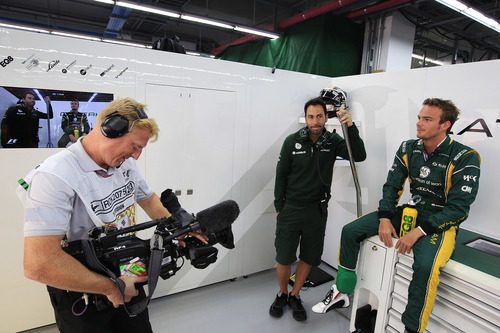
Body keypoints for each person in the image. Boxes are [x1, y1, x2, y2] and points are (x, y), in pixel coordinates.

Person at [20, 97, 205, 332]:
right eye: (134, 146)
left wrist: (179, 229)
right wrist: (111, 287)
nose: (136, 156)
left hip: (127, 274)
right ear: (109, 130)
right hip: (85, 292)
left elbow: (148, 199)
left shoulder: (123, 164)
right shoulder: (53, 176)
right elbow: (39, 264)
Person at [311, 98, 481, 333]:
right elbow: (392, 187)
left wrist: (418, 232)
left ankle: (412, 329)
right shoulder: (408, 147)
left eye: (427, 119)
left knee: (424, 267)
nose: (419, 123)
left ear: (445, 125)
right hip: (411, 210)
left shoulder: (465, 156)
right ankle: (342, 290)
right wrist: (384, 218)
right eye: (419, 117)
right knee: (350, 231)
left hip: (441, 221)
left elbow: (459, 208)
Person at [270, 97, 366, 321]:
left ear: (325, 118)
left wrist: (350, 127)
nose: (315, 121)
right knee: (284, 258)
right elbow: (281, 175)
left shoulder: (332, 142)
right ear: (306, 118)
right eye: (311, 116)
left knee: (309, 257)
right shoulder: (292, 141)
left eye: (319, 116)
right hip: (291, 208)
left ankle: (295, 295)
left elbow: (359, 155)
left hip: (317, 210)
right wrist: (278, 206)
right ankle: (282, 293)